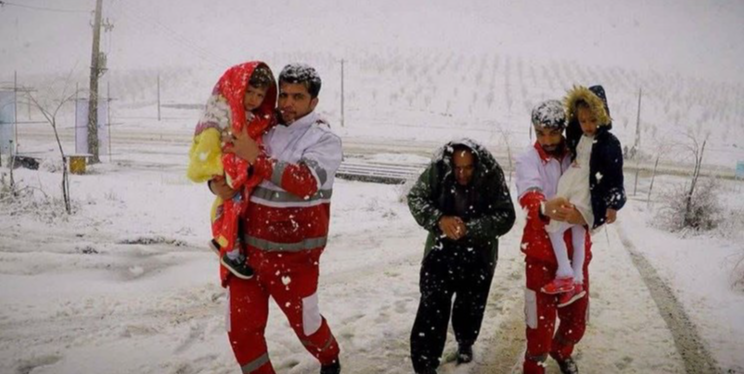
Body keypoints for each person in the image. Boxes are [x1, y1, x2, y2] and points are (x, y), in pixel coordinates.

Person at [210, 63, 342, 374]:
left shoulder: (324, 140)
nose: (287, 103)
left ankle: (329, 358)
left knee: (307, 326)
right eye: (283, 95)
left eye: (298, 97)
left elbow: (306, 182)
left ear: (314, 102)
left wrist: (254, 157)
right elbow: (230, 164)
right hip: (246, 255)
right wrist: (217, 183)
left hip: (294, 258)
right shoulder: (261, 128)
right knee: (241, 331)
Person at [515, 93, 625, 374]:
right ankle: (534, 364)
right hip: (540, 255)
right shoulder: (528, 159)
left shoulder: (579, 151)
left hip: (577, 256)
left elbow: (603, 186)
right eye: (541, 133)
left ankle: (562, 350)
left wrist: (604, 209)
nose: (548, 140)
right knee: (539, 324)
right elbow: (529, 195)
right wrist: (544, 206)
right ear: (534, 131)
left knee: (576, 321)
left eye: (553, 133)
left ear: (564, 129)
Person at [407, 139, 516, 374]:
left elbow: (506, 215)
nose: (462, 173)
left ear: (477, 165)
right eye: (457, 168)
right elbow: (416, 197)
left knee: (471, 304)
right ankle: (425, 362)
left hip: (479, 252)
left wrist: (472, 228)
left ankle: (465, 342)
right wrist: (439, 220)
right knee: (432, 306)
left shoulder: (491, 174)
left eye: (468, 168)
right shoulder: (438, 168)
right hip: (440, 250)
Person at [187, 61, 277, 280]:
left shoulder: (262, 119)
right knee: (232, 206)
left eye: (259, 95)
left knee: (232, 208)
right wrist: (217, 176)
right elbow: (208, 146)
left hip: (255, 207)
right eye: (250, 92)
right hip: (232, 174)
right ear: (238, 89)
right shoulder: (223, 111)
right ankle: (229, 248)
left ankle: (224, 242)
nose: (254, 99)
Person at [540, 85, 625, 308]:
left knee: (558, 227)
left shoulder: (610, 143)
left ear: (603, 115)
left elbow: (615, 176)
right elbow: (568, 130)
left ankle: (566, 272)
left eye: (592, 120)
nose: (587, 125)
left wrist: (613, 204)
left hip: (588, 190)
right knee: (575, 232)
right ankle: (576, 279)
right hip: (573, 183)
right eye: (583, 120)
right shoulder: (577, 134)